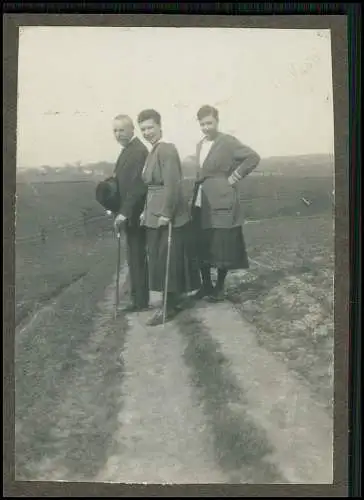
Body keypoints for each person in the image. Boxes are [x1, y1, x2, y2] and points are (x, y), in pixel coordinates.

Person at [137, 109, 201, 326]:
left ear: (159, 126)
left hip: (167, 212)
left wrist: (166, 213)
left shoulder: (166, 149)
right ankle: (173, 299)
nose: (146, 132)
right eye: (143, 129)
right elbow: (152, 186)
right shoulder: (153, 150)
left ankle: (168, 306)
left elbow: (172, 184)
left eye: (150, 127)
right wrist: (146, 211)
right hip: (154, 211)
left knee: (166, 258)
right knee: (160, 257)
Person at [191, 104, 261, 302]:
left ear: (217, 121)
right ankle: (206, 285)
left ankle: (219, 288)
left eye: (209, 123)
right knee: (201, 242)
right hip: (201, 199)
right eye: (202, 124)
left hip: (222, 200)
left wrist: (234, 177)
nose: (206, 128)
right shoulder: (199, 144)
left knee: (223, 243)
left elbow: (253, 157)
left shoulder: (228, 142)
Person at [111, 114, 150, 312]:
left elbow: (137, 187)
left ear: (132, 130)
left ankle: (141, 301)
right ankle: (138, 299)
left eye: (122, 130)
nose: (118, 134)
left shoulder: (137, 152)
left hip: (135, 214)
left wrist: (124, 213)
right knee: (133, 256)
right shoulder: (128, 150)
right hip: (129, 213)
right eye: (115, 131)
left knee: (136, 256)